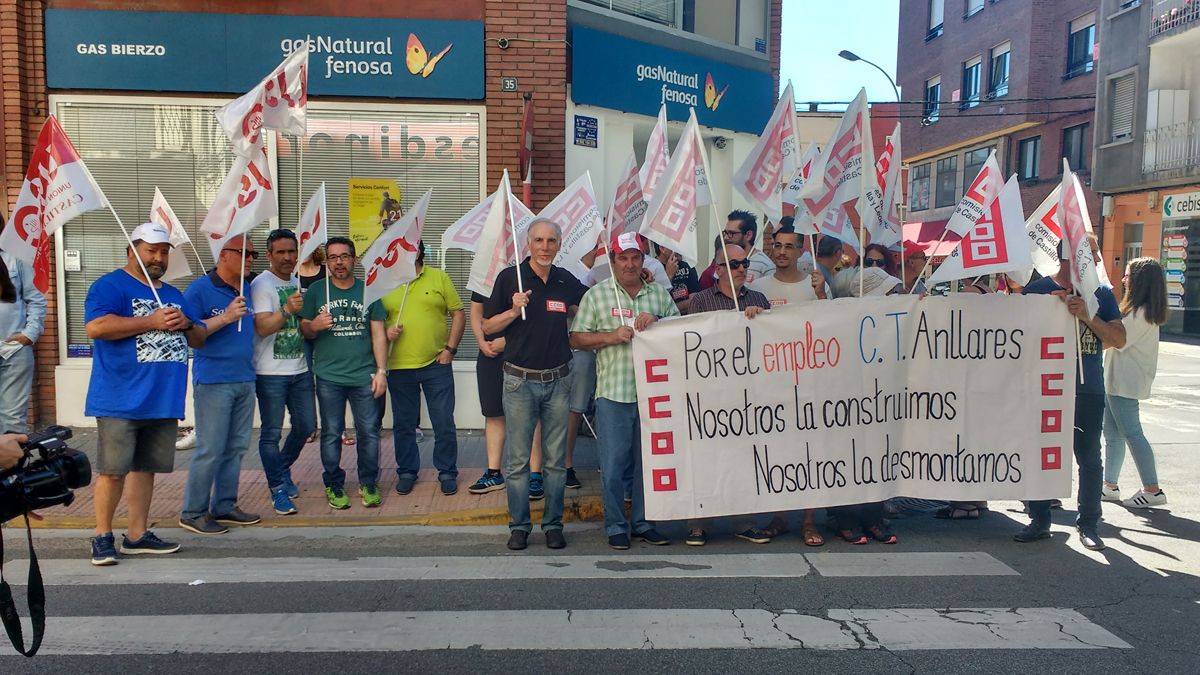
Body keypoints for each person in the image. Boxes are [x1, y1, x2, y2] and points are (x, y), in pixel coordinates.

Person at [85, 222, 206, 564]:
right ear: (132, 249)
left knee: (146, 469)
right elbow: (96, 326)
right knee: (113, 470)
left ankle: (136, 535)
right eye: (151, 250)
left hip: (162, 397)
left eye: (164, 252)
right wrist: (150, 322)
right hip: (120, 397)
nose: (158, 258)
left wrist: (187, 324)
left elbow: (199, 338)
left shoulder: (172, 293)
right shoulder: (110, 285)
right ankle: (102, 535)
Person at [483, 219, 587, 551]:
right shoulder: (508, 278)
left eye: (551, 241)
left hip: (558, 379)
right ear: (528, 243)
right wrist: (513, 310)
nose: (545, 246)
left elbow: (589, 303)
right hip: (519, 381)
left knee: (555, 461)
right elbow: (487, 326)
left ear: (559, 244)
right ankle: (519, 526)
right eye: (539, 240)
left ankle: (553, 525)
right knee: (516, 462)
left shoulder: (563, 278)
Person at [1017, 236, 1125, 551]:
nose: (1097, 259)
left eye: (1096, 253)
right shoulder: (1036, 291)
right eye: (1090, 253)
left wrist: (1086, 315)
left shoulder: (1102, 293)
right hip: (1043, 388)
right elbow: (1012, 338)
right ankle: (1038, 519)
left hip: (1086, 389)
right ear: (1068, 254)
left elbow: (1119, 339)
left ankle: (1089, 525)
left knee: (1089, 458)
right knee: (1037, 452)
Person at [570, 232, 675, 549]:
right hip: (614, 394)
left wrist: (658, 320)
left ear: (643, 260)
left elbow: (682, 330)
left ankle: (643, 522)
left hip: (654, 394)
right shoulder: (597, 295)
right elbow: (576, 339)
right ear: (613, 262)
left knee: (648, 465)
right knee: (614, 465)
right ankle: (616, 524)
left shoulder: (658, 294)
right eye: (623, 258)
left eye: (635, 257)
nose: (629, 264)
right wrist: (609, 337)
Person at [683, 244, 774, 546]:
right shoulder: (701, 301)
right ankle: (699, 524)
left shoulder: (759, 299)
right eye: (733, 264)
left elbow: (773, 341)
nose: (740, 269)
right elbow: (693, 345)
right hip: (710, 394)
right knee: (705, 458)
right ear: (718, 268)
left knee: (745, 458)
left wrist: (760, 319)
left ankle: (745, 522)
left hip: (749, 393)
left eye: (744, 263)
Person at [748, 223, 828, 545]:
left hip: (809, 382)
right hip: (773, 384)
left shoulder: (814, 286)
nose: (781, 252)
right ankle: (780, 516)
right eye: (777, 245)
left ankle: (809, 521)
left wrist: (822, 294)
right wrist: (752, 313)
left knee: (809, 451)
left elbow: (832, 324)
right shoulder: (760, 288)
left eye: (788, 247)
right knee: (779, 452)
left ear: (799, 252)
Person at [179, 234, 260, 535]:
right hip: (214, 379)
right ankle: (193, 511)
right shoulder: (200, 289)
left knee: (236, 446)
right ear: (224, 255)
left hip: (245, 376)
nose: (251, 259)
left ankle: (224, 504)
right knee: (210, 447)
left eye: (254, 254)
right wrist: (226, 317)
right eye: (245, 253)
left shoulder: (249, 287)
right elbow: (191, 335)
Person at [300, 236, 389, 510]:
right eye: (333, 257)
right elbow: (304, 329)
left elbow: (378, 335)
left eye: (344, 256)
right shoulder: (316, 291)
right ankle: (333, 483)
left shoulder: (368, 290)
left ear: (354, 259)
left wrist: (381, 371)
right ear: (326, 262)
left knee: (369, 432)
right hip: (328, 376)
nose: (339, 262)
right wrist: (315, 325)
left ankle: (368, 482)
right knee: (330, 433)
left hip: (364, 375)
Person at [382, 240, 465, 496]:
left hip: (435, 363)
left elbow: (459, 313)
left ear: (419, 251)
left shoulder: (438, 277)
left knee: (443, 421)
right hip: (398, 365)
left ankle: (447, 471)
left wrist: (450, 350)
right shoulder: (385, 281)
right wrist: (386, 332)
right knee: (404, 424)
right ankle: (407, 471)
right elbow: (373, 322)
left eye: (411, 248)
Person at [251, 229, 316, 516]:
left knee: (305, 426)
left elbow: (301, 328)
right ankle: (277, 487)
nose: (288, 257)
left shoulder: (296, 282)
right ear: (269, 255)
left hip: (300, 369)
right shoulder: (261, 285)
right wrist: (288, 309)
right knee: (271, 434)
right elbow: (263, 327)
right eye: (281, 252)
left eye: (292, 251)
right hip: (270, 373)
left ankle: (282, 467)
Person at [1102, 257, 1170, 509]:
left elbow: (1114, 340)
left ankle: (1152, 489)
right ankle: (1110, 485)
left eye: (1128, 276)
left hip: (1124, 382)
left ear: (1139, 282)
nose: (1123, 280)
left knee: (1131, 433)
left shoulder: (1140, 314)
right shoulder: (1140, 311)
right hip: (1117, 380)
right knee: (1112, 434)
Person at [0, 238, 46, 434]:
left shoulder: (15, 258)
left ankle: (13, 465)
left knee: (13, 419)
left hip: (13, 351)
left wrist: (30, 334)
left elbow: (35, 299)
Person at [654, 242, 700, 314]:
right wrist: (668, 276)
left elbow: (695, 301)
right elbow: (657, 306)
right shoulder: (652, 270)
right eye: (675, 245)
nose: (680, 248)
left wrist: (670, 309)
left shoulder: (687, 267)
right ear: (662, 248)